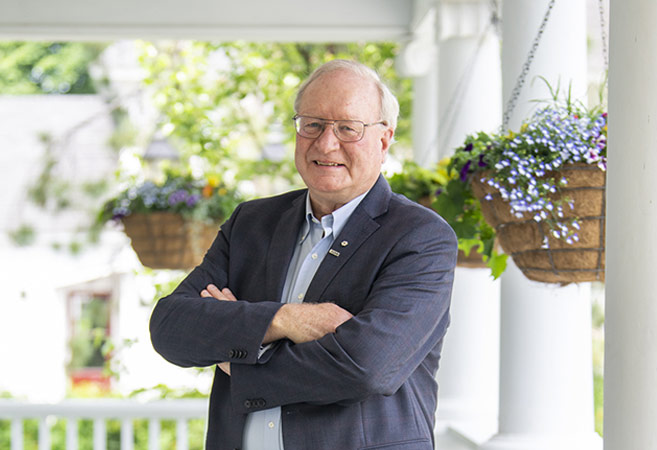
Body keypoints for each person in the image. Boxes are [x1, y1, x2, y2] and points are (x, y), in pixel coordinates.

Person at [149, 59, 458, 450]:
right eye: (312, 124)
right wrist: (285, 319)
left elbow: (367, 368)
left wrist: (240, 360)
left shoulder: (421, 237)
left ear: (384, 141)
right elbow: (170, 327)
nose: (326, 143)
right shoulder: (252, 222)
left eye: (348, 128)